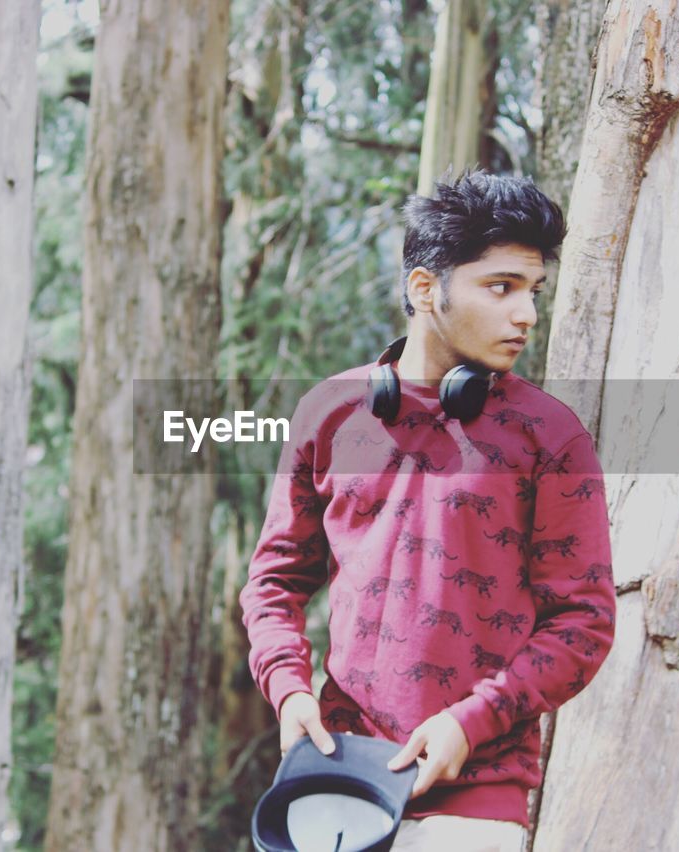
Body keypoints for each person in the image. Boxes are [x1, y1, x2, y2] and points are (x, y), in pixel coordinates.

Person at [239, 170, 616, 852]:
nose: (526, 314)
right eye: (500, 287)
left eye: (532, 291)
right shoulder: (328, 413)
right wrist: (290, 689)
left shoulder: (552, 436)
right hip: (334, 776)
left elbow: (583, 624)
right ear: (424, 290)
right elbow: (274, 581)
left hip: (477, 794)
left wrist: (468, 724)